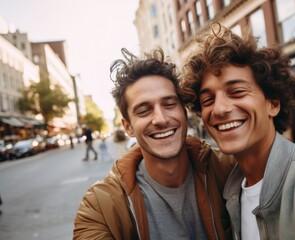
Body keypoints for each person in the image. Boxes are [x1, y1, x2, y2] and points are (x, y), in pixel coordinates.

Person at [181, 23, 295, 240]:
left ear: (273, 104)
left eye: (237, 92)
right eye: (208, 100)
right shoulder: (230, 192)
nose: (219, 109)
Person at [73, 48, 235, 239]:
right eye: (143, 110)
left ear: (184, 112)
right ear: (128, 127)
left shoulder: (229, 170)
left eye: (169, 104)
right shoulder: (100, 206)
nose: (160, 119)